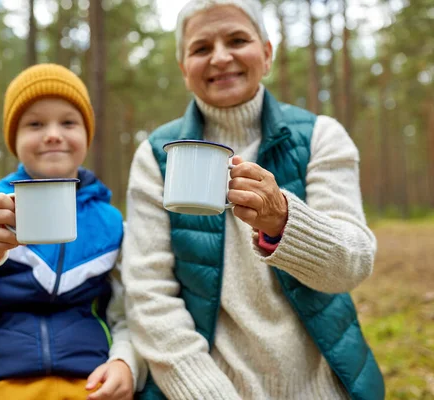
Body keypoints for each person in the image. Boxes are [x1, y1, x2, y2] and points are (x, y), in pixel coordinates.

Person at [121, 1, 384, 399]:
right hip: (204, 386)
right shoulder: (157, 155)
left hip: (322, 386)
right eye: (201, 48)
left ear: (266, 53)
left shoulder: (319, 137)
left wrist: (283, 221)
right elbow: (148, 296)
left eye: (237, 40)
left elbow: (353, 264)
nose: (221, 57)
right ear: (184, 69)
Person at [0, 64, 145, 400]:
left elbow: (128, 314)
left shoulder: (111, 223)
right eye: (35, 124)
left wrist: (126, 362)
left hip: (88, 383)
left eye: (68, 122)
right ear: (14, 140)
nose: (52, 134)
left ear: (87, 134)